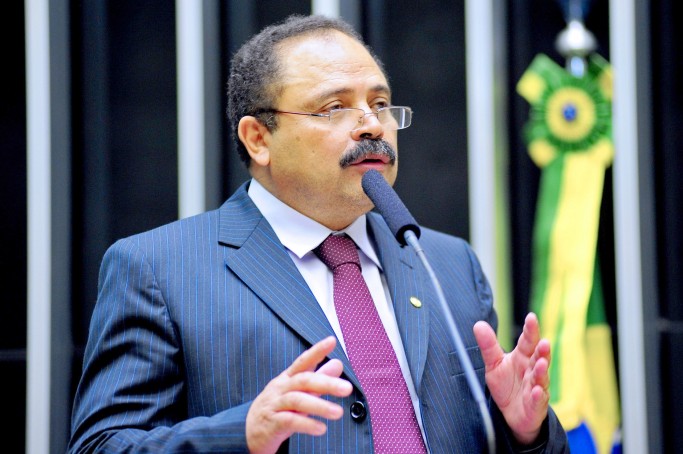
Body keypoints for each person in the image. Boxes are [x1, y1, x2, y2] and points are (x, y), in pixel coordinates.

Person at [69, 14, 568, 453]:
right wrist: (242, 433)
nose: (372, 125)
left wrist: (525, 433)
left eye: (380, 103)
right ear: (258, 139)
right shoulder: (158, 270)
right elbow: (101, 445)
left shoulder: (447, 262)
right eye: (334, 108)